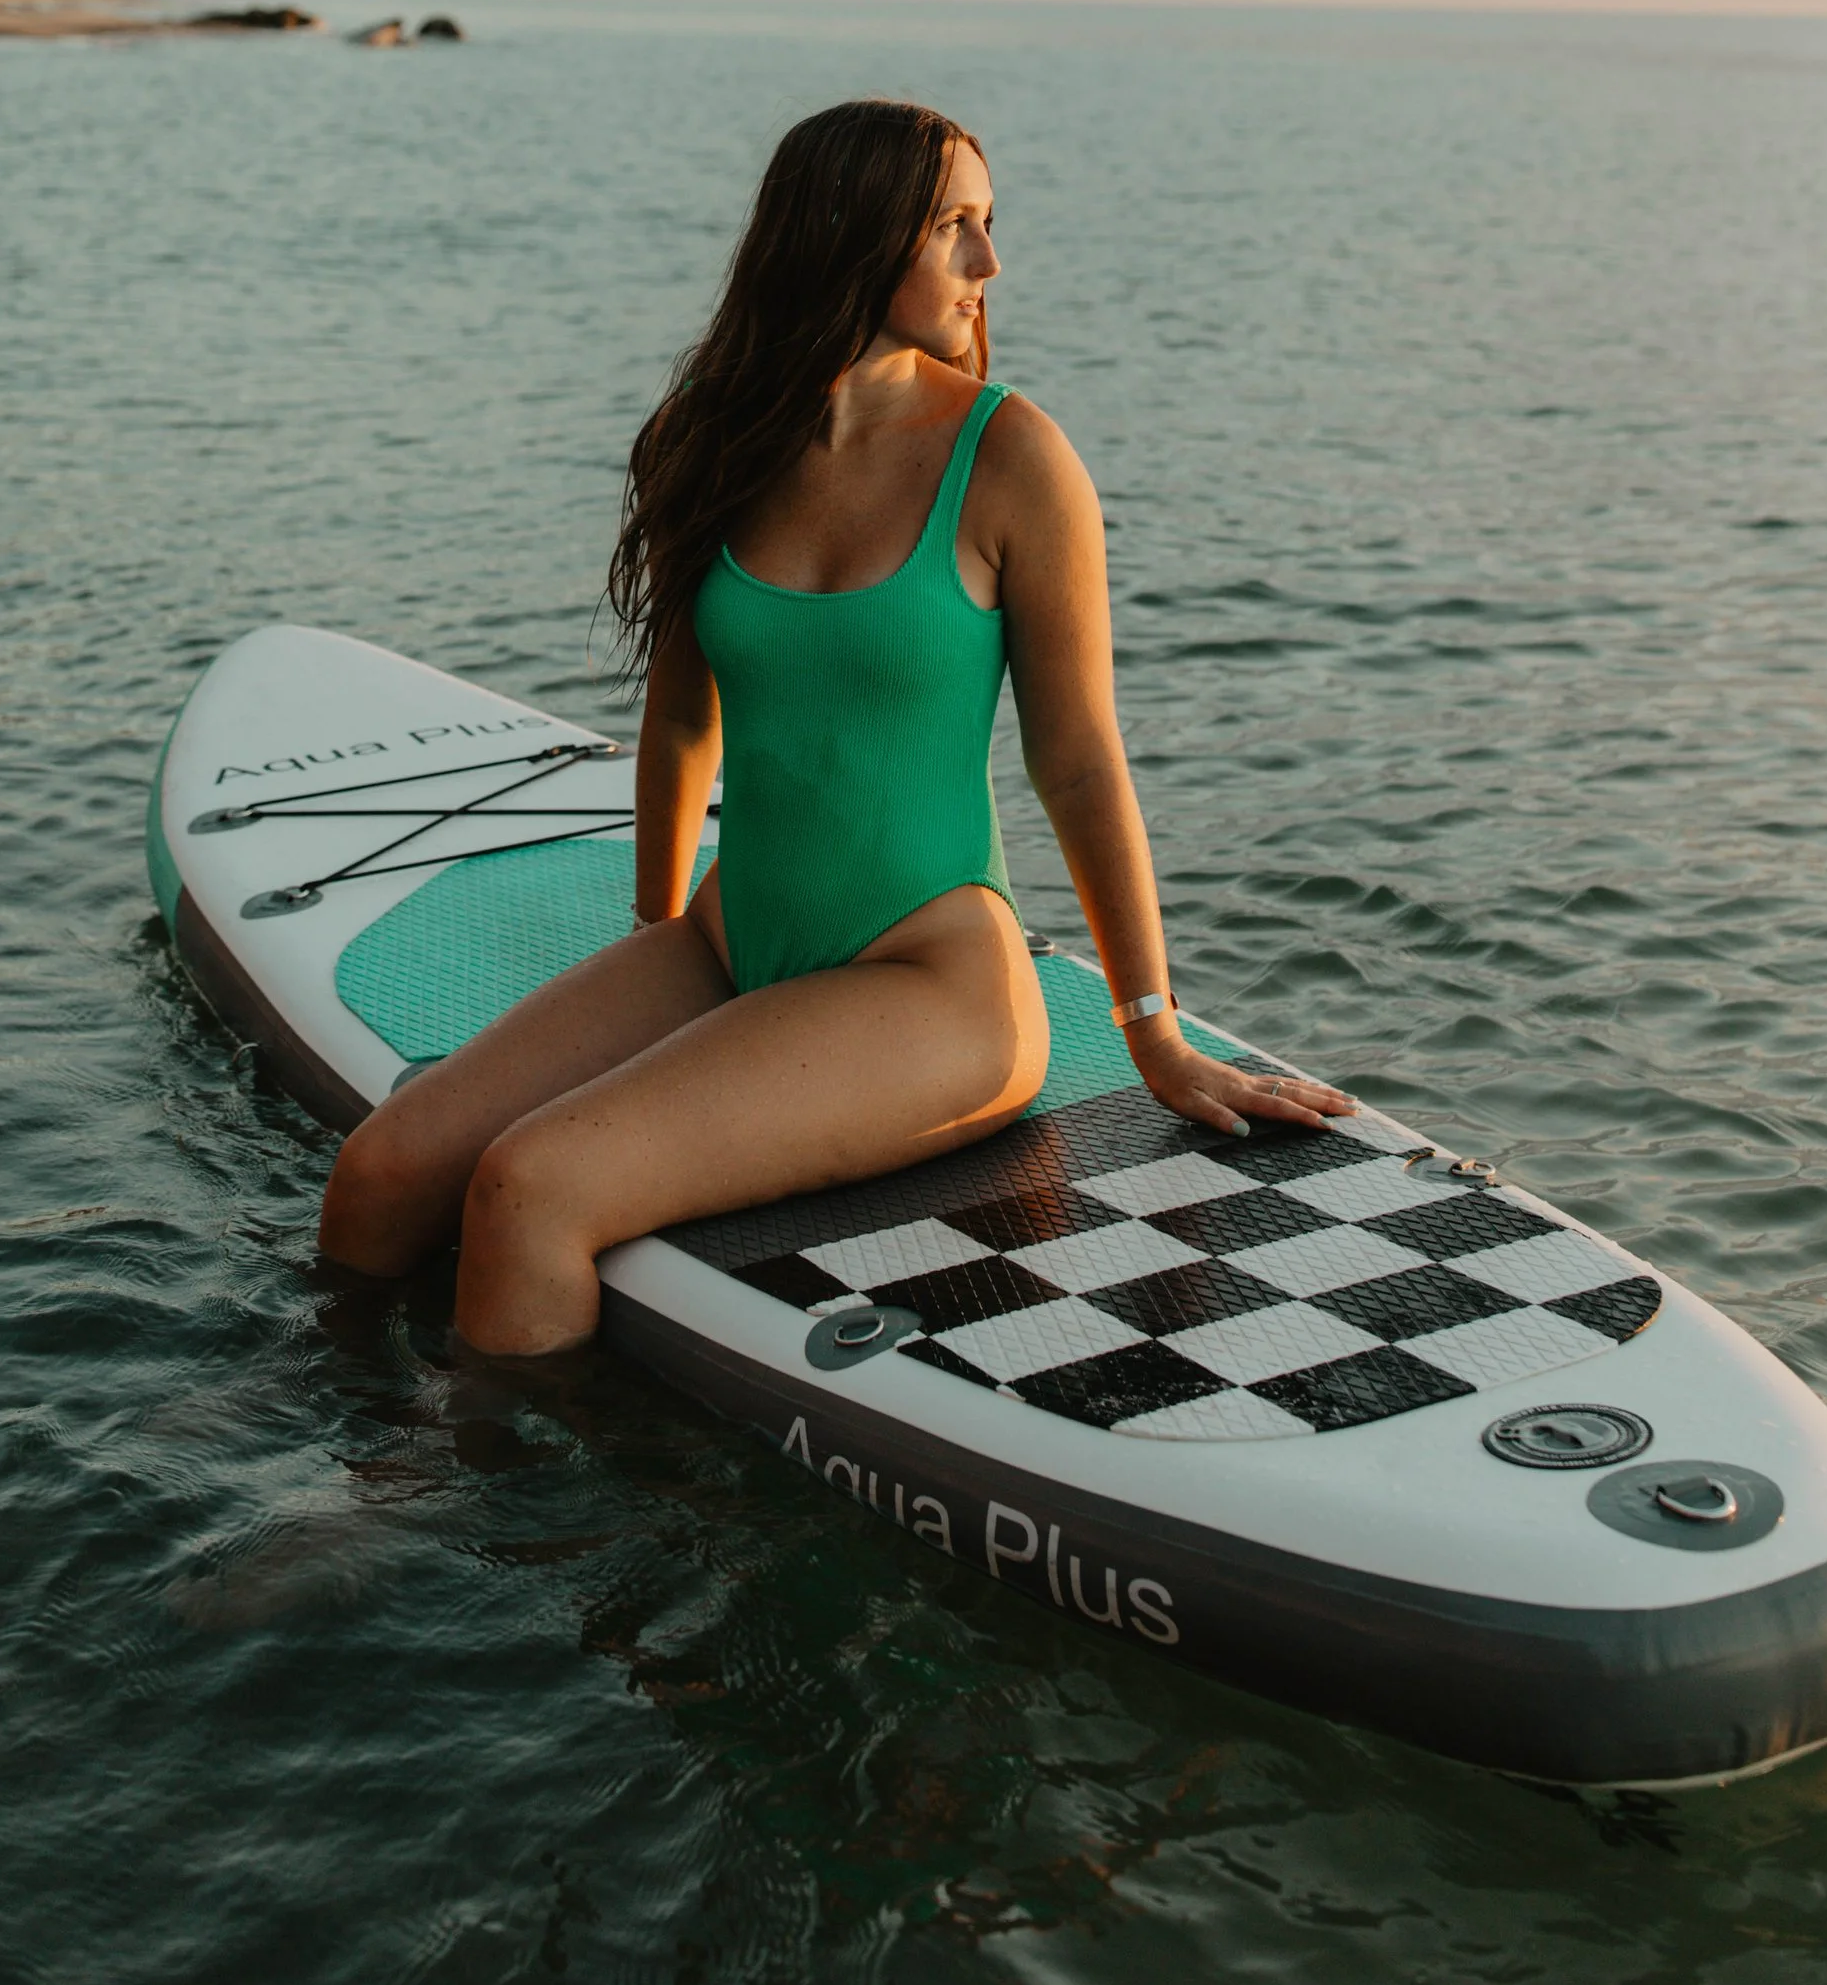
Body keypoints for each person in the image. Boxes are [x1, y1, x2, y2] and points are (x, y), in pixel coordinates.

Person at [318, 95, 1354, 1353]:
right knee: (380, 1175)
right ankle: (330, 1439)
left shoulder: (1011, 457)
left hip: (931, 991)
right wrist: (651, 950)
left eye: (987, 224)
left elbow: (1078, 763)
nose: (989, 262)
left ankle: (466, 1534)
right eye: (954, 228)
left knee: (529, 1190)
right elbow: (678, 719)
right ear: (847, 240)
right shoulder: (709, 436)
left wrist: (1156, 1033)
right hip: (729, 937)